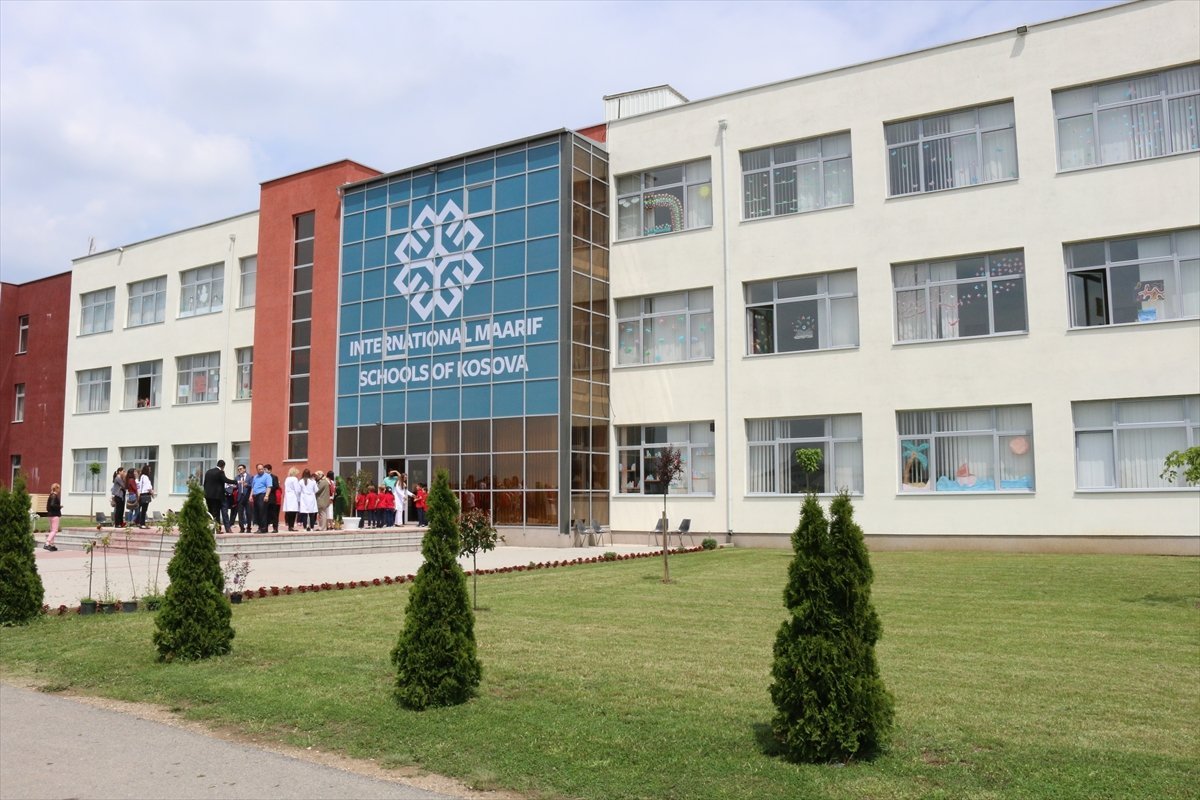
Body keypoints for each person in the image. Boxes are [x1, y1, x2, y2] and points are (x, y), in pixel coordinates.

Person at [203, 460, 237, 531]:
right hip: (217, 496)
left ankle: (213, 529)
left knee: (211, 512)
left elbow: (205, 483)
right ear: (223, 466)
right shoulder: (220, 472)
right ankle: (219, 529)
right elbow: (226, 480)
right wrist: (236, 482)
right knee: (218, 512)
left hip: (208, 496)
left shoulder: (208, 472)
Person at [251, 463, 271, 533]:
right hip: (256, 495)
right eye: (259, 469)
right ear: (257, 469)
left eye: (262, 469)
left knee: (262, 512)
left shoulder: (267, 476)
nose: (261, 470)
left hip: (262, 495)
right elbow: (253, 487)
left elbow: (269, 486)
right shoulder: (255, 477)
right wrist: (251, 496)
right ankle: (260, 527)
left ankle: (263, 528)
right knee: (257, 512)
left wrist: (267, 495)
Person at [43, 483, 61, 551]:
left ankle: (52, 544)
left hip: (50, 515)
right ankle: (47, 543)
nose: (59, 490)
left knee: (52, 530)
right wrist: (59, 507)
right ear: (56, 488)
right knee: (54, 530)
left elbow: (49, 506)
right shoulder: (54, 496)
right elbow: (52, 505)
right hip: (54, 515)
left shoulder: (50, 495)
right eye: (59, 488)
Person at [234, 464, 251, 532]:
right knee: (240, 513)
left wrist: (247, 485)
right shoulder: (237, 477)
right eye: (238, 469)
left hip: (247, 496)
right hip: (240, 497)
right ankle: (242, 528)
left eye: (240, 469)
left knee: (248, 513)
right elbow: (235, 486)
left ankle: (249, 528)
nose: (239, 470)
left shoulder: (250, 477)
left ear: (244, 469)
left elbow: (252, 485)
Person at [266, 464, 281, 532]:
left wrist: (268, 489)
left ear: (269, 470)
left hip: (272, 497)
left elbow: (276, 486)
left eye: (265, 470)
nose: (264, 471)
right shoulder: (263, 477)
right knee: (265, 513)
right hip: (264, 497)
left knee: (274, 513)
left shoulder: (274, 477)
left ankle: (275, 528)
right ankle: (265, 527)